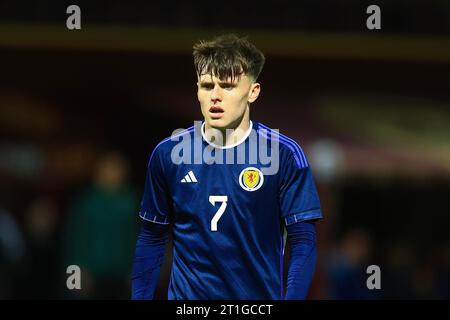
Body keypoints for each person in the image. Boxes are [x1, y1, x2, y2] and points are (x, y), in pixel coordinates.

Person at [131, 34, 323, 300]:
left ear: (253, 91)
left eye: (227, 86)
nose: (215, 96)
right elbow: (152, 237)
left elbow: (304, 243)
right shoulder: (169, 153)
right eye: (207, 86)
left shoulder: (284, 154)